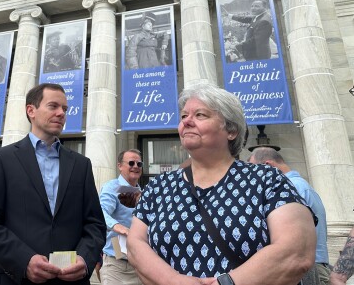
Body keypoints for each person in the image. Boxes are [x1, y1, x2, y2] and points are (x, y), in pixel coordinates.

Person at [127, 83, 316, 285]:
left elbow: (297, 251)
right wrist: (175, 281)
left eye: (200, 115)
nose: (187, 122)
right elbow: (135, 243)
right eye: (183, 116)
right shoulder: (159, 187)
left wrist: (227, 283)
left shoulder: (267, 179)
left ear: (231, 130)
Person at [0, 83, 106, 284]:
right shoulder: (1, 159)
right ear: (31, 110)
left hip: (71, 280)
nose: (62, 113)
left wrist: (85, 259)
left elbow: (95, 223)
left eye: (65, 109)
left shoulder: (81, 165)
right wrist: (24, 260)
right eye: (53, 106)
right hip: (16, 279)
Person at [249, 147, 330, 285]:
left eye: (255, 170)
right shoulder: (300, 186)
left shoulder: (290, 188)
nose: (253, 177)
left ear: (267, 166)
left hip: (306, 271)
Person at [99, 149, 144, 285]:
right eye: (131, 163)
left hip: (140, 265)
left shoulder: (143, 193)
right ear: (120, 166)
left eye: (139, 164)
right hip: (116, 264)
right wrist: (118, 227)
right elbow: (100, 212)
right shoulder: (111, 187)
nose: (135, 166)